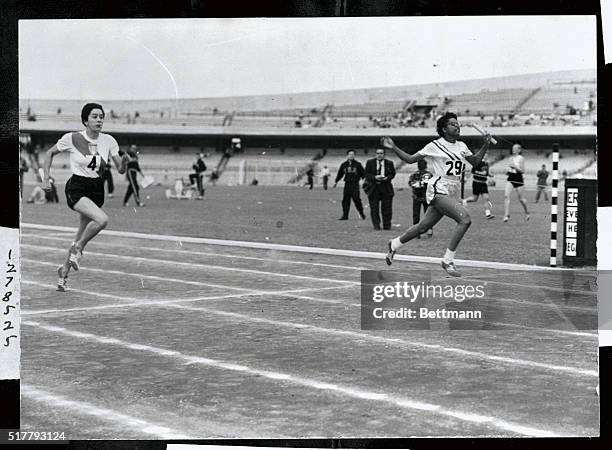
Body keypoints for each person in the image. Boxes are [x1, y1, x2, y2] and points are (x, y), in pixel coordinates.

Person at [381, 112, 491, 277]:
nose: (457, 126)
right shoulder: (434, 145)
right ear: (444, 129)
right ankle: (448, 260)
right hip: (438, 187)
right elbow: (411, 159)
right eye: (453, 124)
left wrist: (486, 145)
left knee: (423, 227)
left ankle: (394, 244)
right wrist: (394, 147)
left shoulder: (462, 145)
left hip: (453, 190)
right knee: (465, 219)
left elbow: (475, 162)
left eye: (457, 123)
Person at [42, 102, 128, 291]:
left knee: (82, 232)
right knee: (102, 220)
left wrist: (125, 162)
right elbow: (49, 153)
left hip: (97, 190)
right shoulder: (72, 138)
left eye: (101, 116)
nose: (99, 120)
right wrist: (45, 178)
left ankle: (63, 272)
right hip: (77, 188)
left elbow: (120, 170)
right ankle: (78, 248)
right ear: (85, 120)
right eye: (95, 116)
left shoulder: (109, 141)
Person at [364, 148, 396, 230]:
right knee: (374, 208)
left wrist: (386, 178)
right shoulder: (370, 162)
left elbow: (392, 174)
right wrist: (375, 177)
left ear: (384, 154)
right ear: (375, 154)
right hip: (374, 188)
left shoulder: (389, 163)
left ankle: (387, 225)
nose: (379, 155)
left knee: (387, 208)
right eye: (378, 153)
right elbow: (366, 174)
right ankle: (376, 225)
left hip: (386, 188)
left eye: (381, 153)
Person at [334, 150, 366, 220]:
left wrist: (364, 180)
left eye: (352, 154)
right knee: (345, 200)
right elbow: (340, 174)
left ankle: (361, 213)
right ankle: (345, 216)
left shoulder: (358, 164)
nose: (351, 156)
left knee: (357, 199)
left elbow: (363, 173)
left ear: (354, 156)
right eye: (350, 154)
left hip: (355, 184)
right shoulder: (344, 164)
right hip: (347, 184)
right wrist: (336, 181)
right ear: (347, 155)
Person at [503, 143, 530, 221]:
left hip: (518, 178)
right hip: (511, 177)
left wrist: (515, 166)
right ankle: (506, 214)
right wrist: (508, 171)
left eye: (515, 148)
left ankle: (527, 212)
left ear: (519, 150)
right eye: (512, 148)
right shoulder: (510, 158)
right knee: (506, 196)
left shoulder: (521, 158)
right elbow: (510, 169)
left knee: (521, 199)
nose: (513, 150)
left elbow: (522, 170)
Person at [462, 154, 495, 219]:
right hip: (476, 182)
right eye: (484, 155)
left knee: (486, 198)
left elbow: (486, 173)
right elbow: (473, 171)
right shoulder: (477, 162)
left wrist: (490, 175)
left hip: (483, 183)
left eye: (487, 155)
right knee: (474, 199)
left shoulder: (486, 164)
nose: (486, 156)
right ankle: (464, 200)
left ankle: (488, 214)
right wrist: (481, 174)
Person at [408, 159, 433, 237]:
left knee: (417, 214)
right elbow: (411, 183)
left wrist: (418, 184)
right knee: (427, 214)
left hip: (421, 197)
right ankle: (428, 229)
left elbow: (411, 183)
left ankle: (418, 231)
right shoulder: (428, 174)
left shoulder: (416, 174)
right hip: (423, 197)